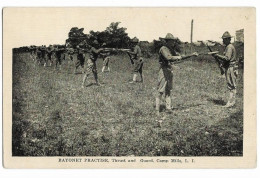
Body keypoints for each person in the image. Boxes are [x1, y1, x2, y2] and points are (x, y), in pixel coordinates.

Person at [156, 33, 198, 115]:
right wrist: (178, 57)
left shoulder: (171, 49)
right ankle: (157, 110)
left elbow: (180, 56)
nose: (174, 43)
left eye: (174, 41)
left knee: (168, 89)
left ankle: (168, 108)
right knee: (160, 91)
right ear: (167, 41)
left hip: (169, 69)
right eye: (172, 41)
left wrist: (191, 55)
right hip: (163, 70)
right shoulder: (163, 48)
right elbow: (168, 57)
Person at [212, 31, 238, 107]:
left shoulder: (229, 47)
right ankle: (231, 102)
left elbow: (227, 58)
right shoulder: (229, 46)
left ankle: (230, 103)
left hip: (231, 68)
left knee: (231, 85)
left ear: (227, 39)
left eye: (224, 39)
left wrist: (217, 55)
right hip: (230, 67)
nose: (223, 41)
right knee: (231, 85)